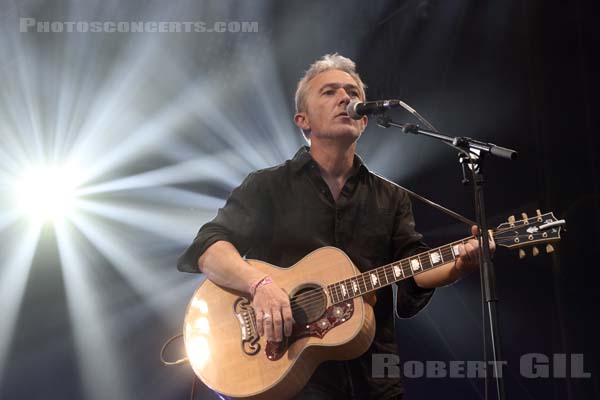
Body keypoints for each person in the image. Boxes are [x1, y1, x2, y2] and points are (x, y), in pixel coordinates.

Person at [177, 53, 493, 399]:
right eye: (329, 92)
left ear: (365, 121)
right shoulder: (267, 186)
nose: (346, 98)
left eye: (353, 92)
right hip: (291, 372)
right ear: (303, 120)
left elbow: (415, 267)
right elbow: (209, 248)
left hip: (374, 375)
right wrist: (261, 285)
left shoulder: (390, 196)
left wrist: (461, 264)